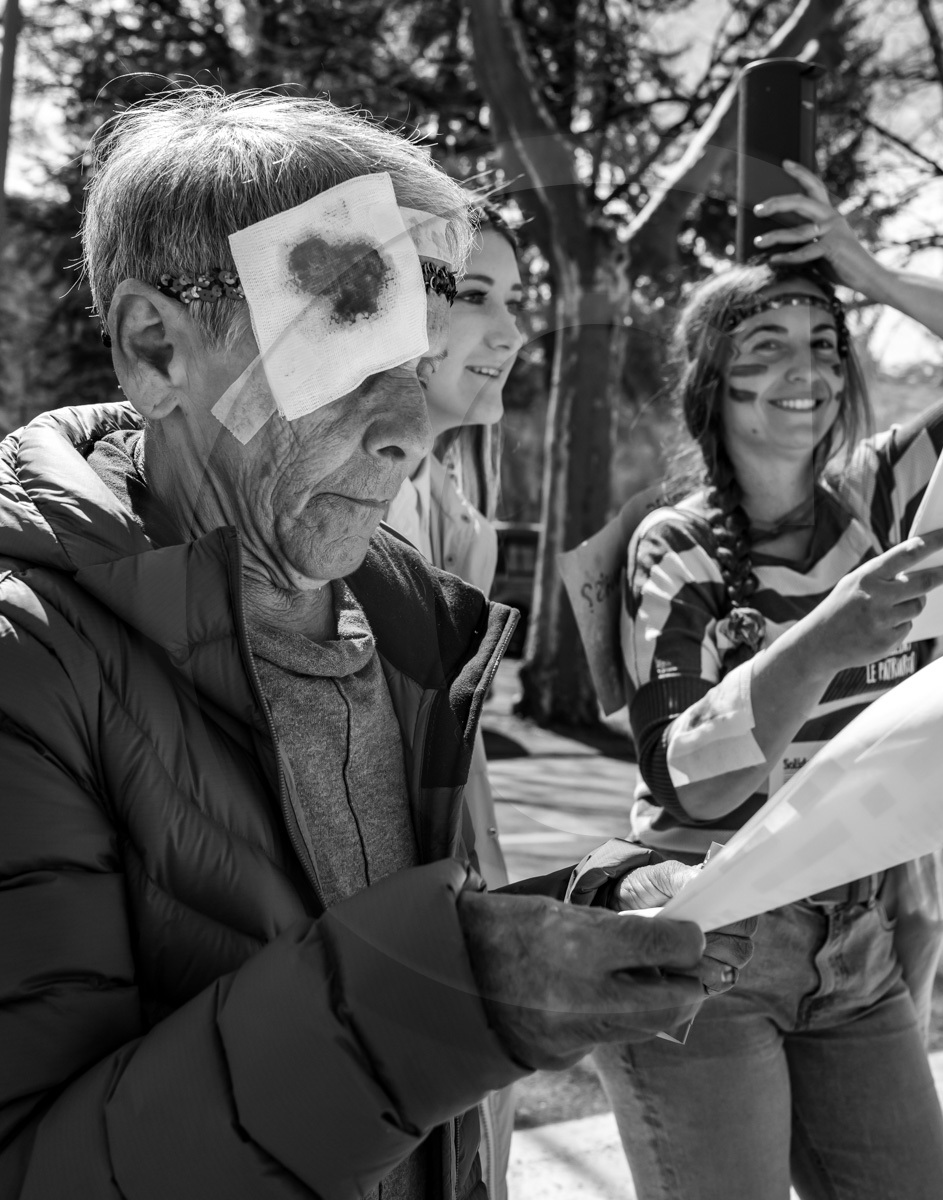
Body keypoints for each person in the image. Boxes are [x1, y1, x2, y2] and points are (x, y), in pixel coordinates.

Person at [0, 89, 756, 1200]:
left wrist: (561, 922)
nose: (408, 427)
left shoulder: (406, 621)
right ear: (155, 347)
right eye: (347, 352)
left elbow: (351, 941)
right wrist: (451, 998)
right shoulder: (26, 666)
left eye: (419, 363)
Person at [592, 160, 943, 1200]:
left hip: (855, 943)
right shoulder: (672, 547)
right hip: (705, 942)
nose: (804, 370)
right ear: (710, 386)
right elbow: (693, 786)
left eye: (823, 344)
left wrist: (869, 269)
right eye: (764, 347)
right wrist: (826, 637)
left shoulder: (882, 498)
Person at [384, 203, 525, 1197]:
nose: (512, 335)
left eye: (514, 303)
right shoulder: (345, 501)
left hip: (456, 856)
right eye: (475, 296)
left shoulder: (447, 487)